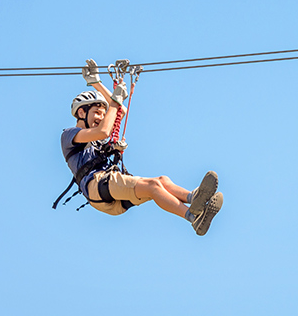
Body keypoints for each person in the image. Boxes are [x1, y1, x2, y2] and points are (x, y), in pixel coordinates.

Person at [60, 59, 223, 235]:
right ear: (81, 112)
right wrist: (114, 100)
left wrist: (96, 84)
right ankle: (194, 218)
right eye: (96, 113)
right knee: (153, 185)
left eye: (102, 113)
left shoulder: (95, 138)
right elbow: (105, 130)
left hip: (109, 194)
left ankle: (193, 198)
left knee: (161, 181)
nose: (100, 117)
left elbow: (119, 111)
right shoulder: (69, 135)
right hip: (98, 186)